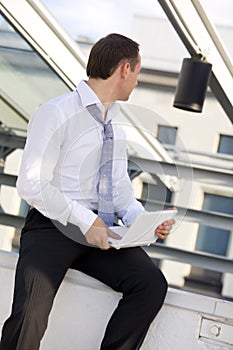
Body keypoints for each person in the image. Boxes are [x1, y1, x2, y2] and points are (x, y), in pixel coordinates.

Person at [0, 33, 175, 350]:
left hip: (100, 232)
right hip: (52, 226)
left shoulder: (116, 125)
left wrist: (144, 221)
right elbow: (31, 182)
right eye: (137, 72)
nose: (136, 80)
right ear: (124, 69)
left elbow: (120, 190)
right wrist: (86, 221)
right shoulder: (56, 112)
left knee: (150, 284)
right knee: (30, 314)